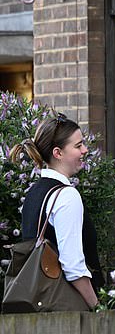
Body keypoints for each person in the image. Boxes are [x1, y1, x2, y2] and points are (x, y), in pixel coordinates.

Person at [9, 113, 103, 309]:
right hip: (66, 308)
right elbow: (73, 266)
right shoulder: (66, 196)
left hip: (39, 301)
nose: (85, 150)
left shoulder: (35, 192)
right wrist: (98, 307)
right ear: (58, 153)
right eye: (78, 146)